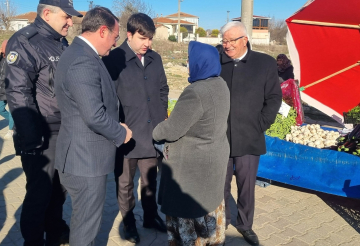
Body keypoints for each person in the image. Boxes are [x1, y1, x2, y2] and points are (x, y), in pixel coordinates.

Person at [4, 0, 82, 246]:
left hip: (64, 131)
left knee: (58, 191)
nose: (70, 22)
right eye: (66, 16)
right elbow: (17, 92)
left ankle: (55, 230)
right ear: (47, 14)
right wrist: (32, 140)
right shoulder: (25, 41)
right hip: (41, 134)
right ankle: (34, 240)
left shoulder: (61, 42)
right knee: (39, 194)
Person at [54, 6, 132, 246]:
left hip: (81, 156)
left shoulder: (80, 54)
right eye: (115, 37)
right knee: (86, 226)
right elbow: (94, 115)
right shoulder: (82, 60)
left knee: (83, 221)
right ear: (102, 31)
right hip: (84, 161)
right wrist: (121, 132)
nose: (114, 43)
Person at [152, 41, 230, 246]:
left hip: (193, 170)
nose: (187, 63)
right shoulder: (220, 83)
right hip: (213, 159)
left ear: (200, 62)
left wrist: (156, 131)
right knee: (209, 210)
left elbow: (172, 129)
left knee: (189, 224)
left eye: (189, 59)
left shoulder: (196, 91)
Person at [102, 13, 169, 243]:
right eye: (143, 38)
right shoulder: (114, 59)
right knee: (125, 184)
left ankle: (150, 217)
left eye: (150, 38)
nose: (147, 44)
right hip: (126, 136)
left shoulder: (155, 58)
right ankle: (129, 223)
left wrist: (161, 120)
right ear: (129, 34)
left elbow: (163, 90)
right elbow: (107, 99)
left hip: (151, 133)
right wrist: (116, 130)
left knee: (150, 181)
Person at [220, 22, 282, 246]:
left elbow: (274, 97)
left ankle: (245, 225)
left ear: (244, 40)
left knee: (246, 186)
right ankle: (222, 224)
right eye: (224, 40)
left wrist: (261, 123)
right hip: (221, 137)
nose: (226, 45)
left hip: (249, 136)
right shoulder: (218, 61)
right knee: (221, 185)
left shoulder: (264, 63)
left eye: (230, 41)